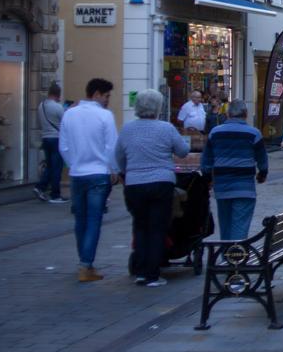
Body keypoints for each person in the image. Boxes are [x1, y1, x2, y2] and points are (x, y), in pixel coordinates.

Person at [114, 89, 189, 287]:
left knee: (140, 226)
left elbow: (119, 157)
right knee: (157, 228)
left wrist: (126, 172)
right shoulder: (166, 128)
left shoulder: (127, 129)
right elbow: (183, 151)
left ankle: (140, 271)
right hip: (161, 182)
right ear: (158, 107)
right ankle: (152, 274)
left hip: (135, 183)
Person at [59, 78, 119, 283]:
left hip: (77, 173)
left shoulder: (69, 114)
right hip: (99, 173)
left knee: (80, 219)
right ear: (96, 94)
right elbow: (111, 146)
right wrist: (114, 169)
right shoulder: (105, 116)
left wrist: (73, 164)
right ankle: (86, 264)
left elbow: (63, 146)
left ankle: (85, 262)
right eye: (107, 96)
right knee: (94, 219)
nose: (108, 100)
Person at [202, 99, 268, 240]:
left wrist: (207, 177)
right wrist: (262, 174)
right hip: (244, 188)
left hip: (222, 187)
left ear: (227, 114)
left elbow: (206, 160)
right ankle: (235, 258)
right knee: (239, 227)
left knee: (225, 225)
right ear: (245, 114)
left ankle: (227, 256)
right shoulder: (253, 133)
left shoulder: (215, 133)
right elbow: (262, 159)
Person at [35, 82, 68, 203]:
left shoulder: (41, 105)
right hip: (56, 139)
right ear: (57, 95)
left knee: (49, 166)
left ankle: (40, 187)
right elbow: (65, 122)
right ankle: (55, 195)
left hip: (45, 138)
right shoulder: (57, 107)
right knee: (57, 167)